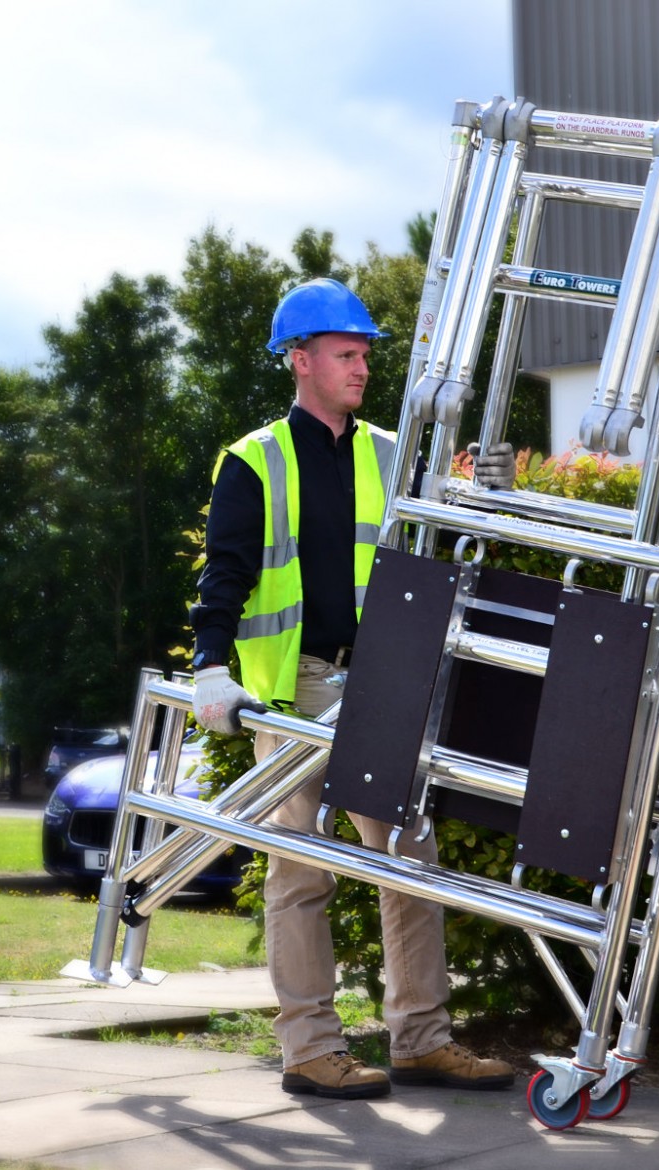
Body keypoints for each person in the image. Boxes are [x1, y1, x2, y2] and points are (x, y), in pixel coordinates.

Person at [189, 277, 517, 1100]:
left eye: (366, 354)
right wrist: (209, 668)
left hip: (379, 682)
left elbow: (451, 515)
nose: (362, 367)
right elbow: (223, 573)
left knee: (411, 856)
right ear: (299, 362)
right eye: (345, 354)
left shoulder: (387, 452)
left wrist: (488, 483)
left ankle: (421, 1040)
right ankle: (308, 1048)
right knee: (302, 871)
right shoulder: (254, 460)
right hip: (295, 688)